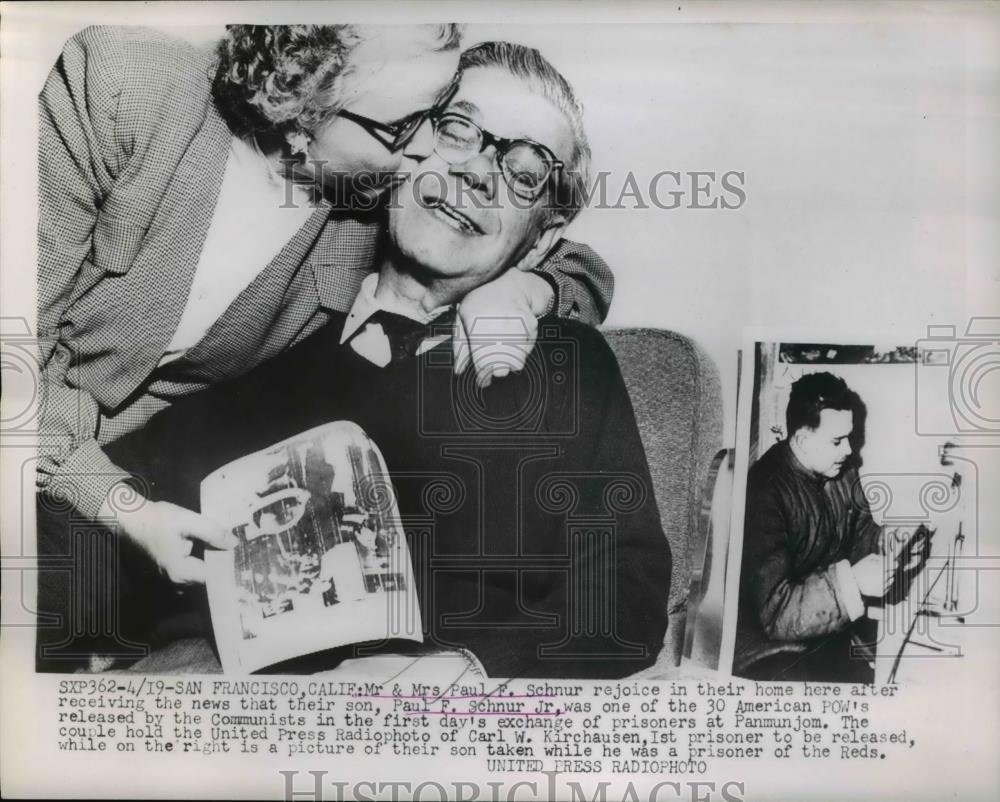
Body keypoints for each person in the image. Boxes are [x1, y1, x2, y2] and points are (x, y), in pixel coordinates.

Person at [61, 41, 672, 678]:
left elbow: (625, 593)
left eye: (525, 175)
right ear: (403, 150)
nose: (478, 175)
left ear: (542, 236)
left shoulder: (565, 366)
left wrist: (465, 668)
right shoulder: (264, 340)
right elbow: (101, 554)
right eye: (458, 130)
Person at [734, 372, 928, 682]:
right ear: (801, 439)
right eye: (837, 441)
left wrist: (889, 541)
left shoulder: (840, 470)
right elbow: (775, 614)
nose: (849, 450)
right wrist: (854, 583)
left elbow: (859, 533)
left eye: (849, 437)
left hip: (822, 637)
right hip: (768, 653)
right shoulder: (763, 491)